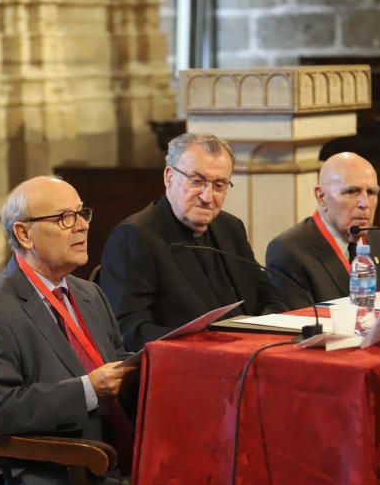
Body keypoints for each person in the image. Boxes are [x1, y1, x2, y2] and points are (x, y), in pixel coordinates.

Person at [0, 175, 136, 485]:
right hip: (61, 474)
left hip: (120, 455)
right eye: (64, 218)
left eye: (82, 214)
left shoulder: (89, 293)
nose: (81, 226)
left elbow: (116, 360)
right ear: (24, 234)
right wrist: (87, 390)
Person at [99, 132, 287, 352]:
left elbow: (269, 296)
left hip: (250, 356)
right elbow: (129, 330)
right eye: (197, 181)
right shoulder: (135, 236)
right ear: (169, 177)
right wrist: (209, 343)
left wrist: (263, 332)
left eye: (219, 185)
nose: (208, 197)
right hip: (188, 367)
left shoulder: (229, 227)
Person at [265, 151, 380, 310]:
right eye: (352, 191)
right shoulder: (289, 250)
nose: (365, 203)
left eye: (371, 192)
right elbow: (300, 328)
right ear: (321, 196)